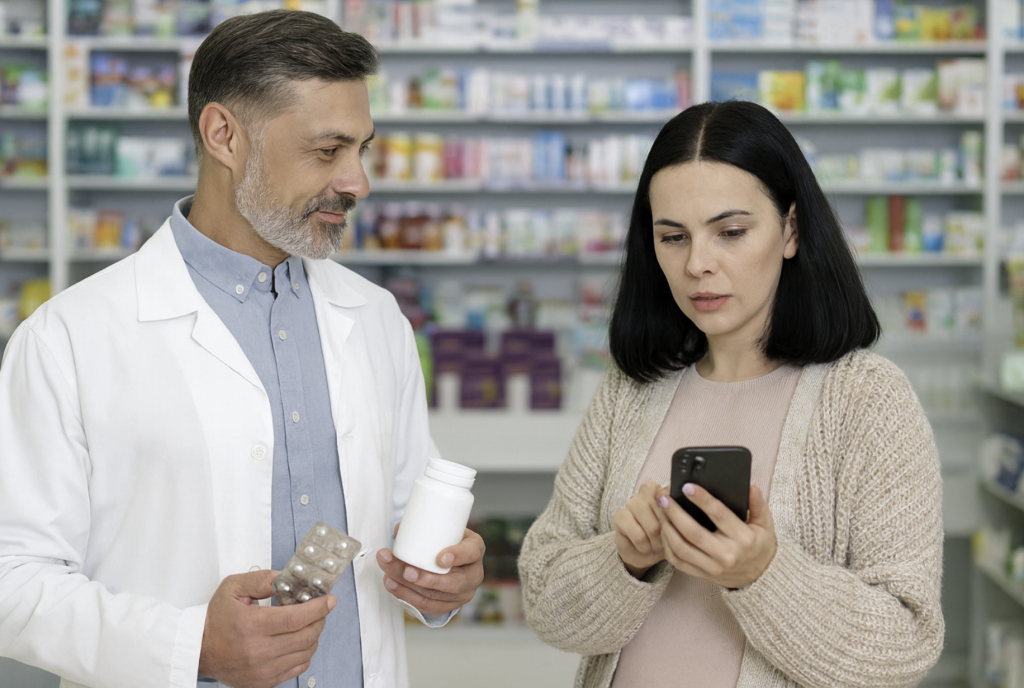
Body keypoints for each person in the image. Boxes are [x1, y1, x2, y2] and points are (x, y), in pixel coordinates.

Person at [0, 10, 484, 688]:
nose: (358, 182)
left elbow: (405, 516)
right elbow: (12, 584)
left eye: (362, 149)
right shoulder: (68, 339)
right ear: (224, 135)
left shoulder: (374, 319)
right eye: (327, 151)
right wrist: (189, 644)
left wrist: (440, 577)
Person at [517, 100, 944, 688]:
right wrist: (624, 560)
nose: (698, 264)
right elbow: (543, 599)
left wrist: (761, 574)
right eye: (673, 237)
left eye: (731, 232)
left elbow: (905, 645)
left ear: (791, 230)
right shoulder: (630, 390)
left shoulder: (868, 401)